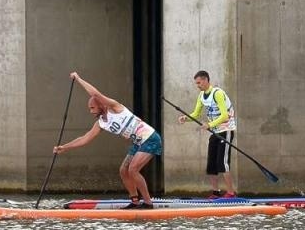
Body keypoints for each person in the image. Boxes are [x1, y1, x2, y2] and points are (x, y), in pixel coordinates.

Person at [53, 72, 162, 208]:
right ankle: (134, 201)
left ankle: (148, 203)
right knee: (123, 170)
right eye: (89, 109)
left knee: (133, 169)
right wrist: (64, 147)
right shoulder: (101, 123)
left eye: (92, 108)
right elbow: (85, 138)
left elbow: (96, 94)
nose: (91, 111)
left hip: (150, 138)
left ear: (101, 105)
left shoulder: (114, 107)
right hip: (138, 142)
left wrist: (79, 79)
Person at [178, 70, 238, 198]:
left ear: (205, 80)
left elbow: (224, 115)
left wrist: (209, 125)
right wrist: (186, 118)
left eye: (199, 83)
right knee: (211, 164)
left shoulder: (218, 93)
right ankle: (216, 192)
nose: (197, 85)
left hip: (226, 130)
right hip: (215, 132)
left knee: (223, 163)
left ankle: (231, 193)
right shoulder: (201, 96)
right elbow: (196, 114)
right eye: (196, 83)